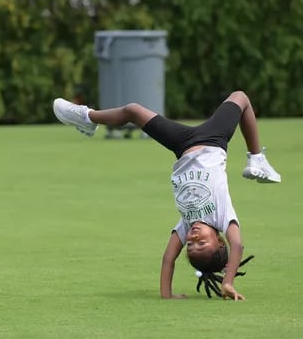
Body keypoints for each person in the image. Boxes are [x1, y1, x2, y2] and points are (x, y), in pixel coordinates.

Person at [52, 91, 281, 300]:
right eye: (202, 242)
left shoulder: (186, 225)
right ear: (219, 241)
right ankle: (256, 159)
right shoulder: (222, 217)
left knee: (133, 110)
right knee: (241, 98)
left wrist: (167, 295)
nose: (193, 238)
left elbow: (168, 259)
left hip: (183, 145)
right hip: (213, 140)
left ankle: (88, 118)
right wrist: (227, 282)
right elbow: (238, 245)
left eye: (191, 246)